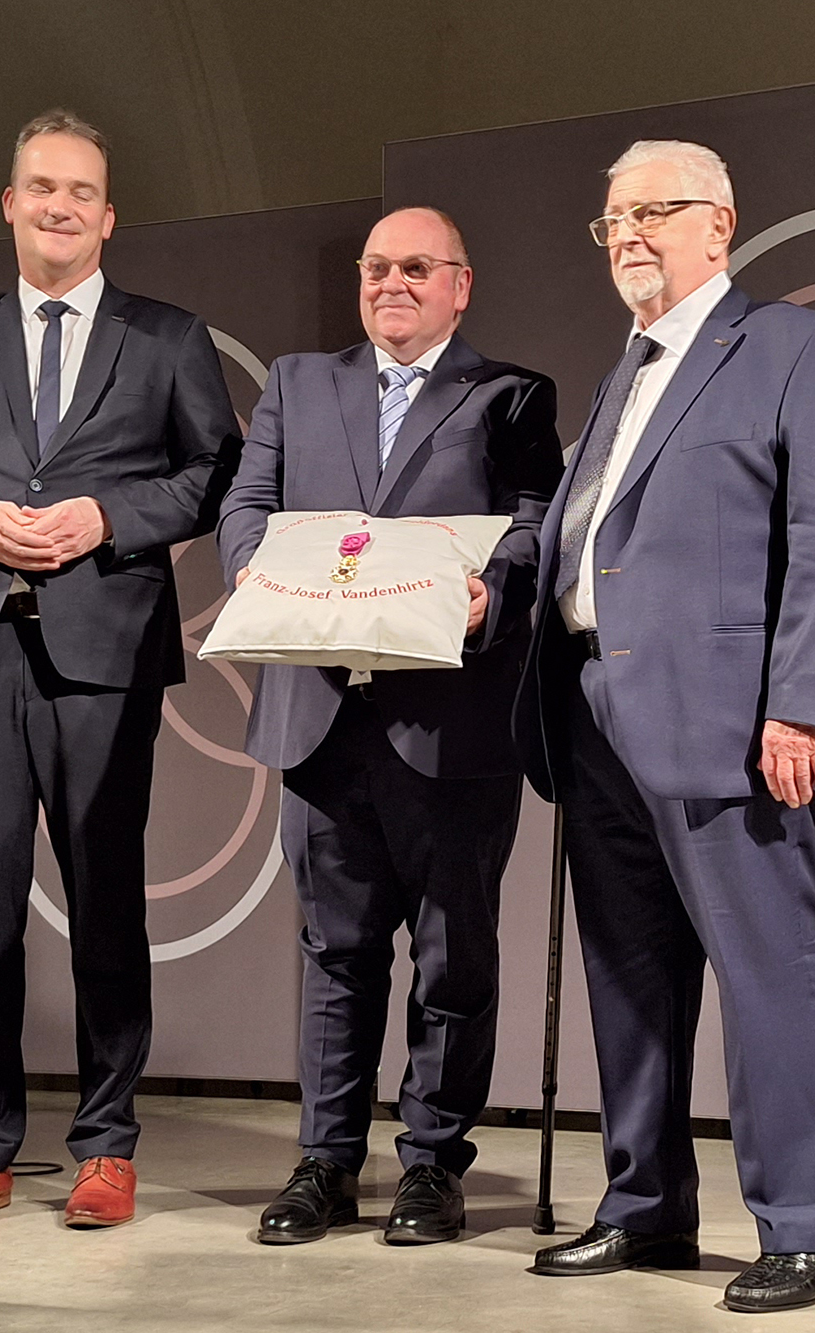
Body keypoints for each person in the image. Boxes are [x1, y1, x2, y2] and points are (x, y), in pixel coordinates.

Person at [514, 140, 815, 1313]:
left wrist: (798, 703)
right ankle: (644, 1211)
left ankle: (803, 1232)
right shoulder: (625, 369)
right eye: (610, 218)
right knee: (628, 981)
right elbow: (593, 538)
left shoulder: (799, 346)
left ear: (718, 225)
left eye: (652, 212)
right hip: (595, 714)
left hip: (734, 722)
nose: (626, 233)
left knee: (769, 976)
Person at [0, 109, 236, 1232]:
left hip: (102, 655)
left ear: (107, 215)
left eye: (80, 190)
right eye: (41, 187)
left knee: (105, 902)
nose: (60, 205)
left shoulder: (168, 337)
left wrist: (104, 517)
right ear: (10, 203)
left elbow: (213, 474)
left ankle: (105, 1145)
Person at [216, 207, 561, 1245]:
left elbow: (538, 516)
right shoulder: (295, 382)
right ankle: (324, 1159)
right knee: (335, 950)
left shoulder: (507, 394)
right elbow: (246, 503)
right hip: (319, 716)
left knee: (452, 955)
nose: (391, 284)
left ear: (460, 285)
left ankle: (430, 1163)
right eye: (376, 268)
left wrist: (491, 596)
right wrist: (255, 570)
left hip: (450, 719)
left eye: (416, 268)